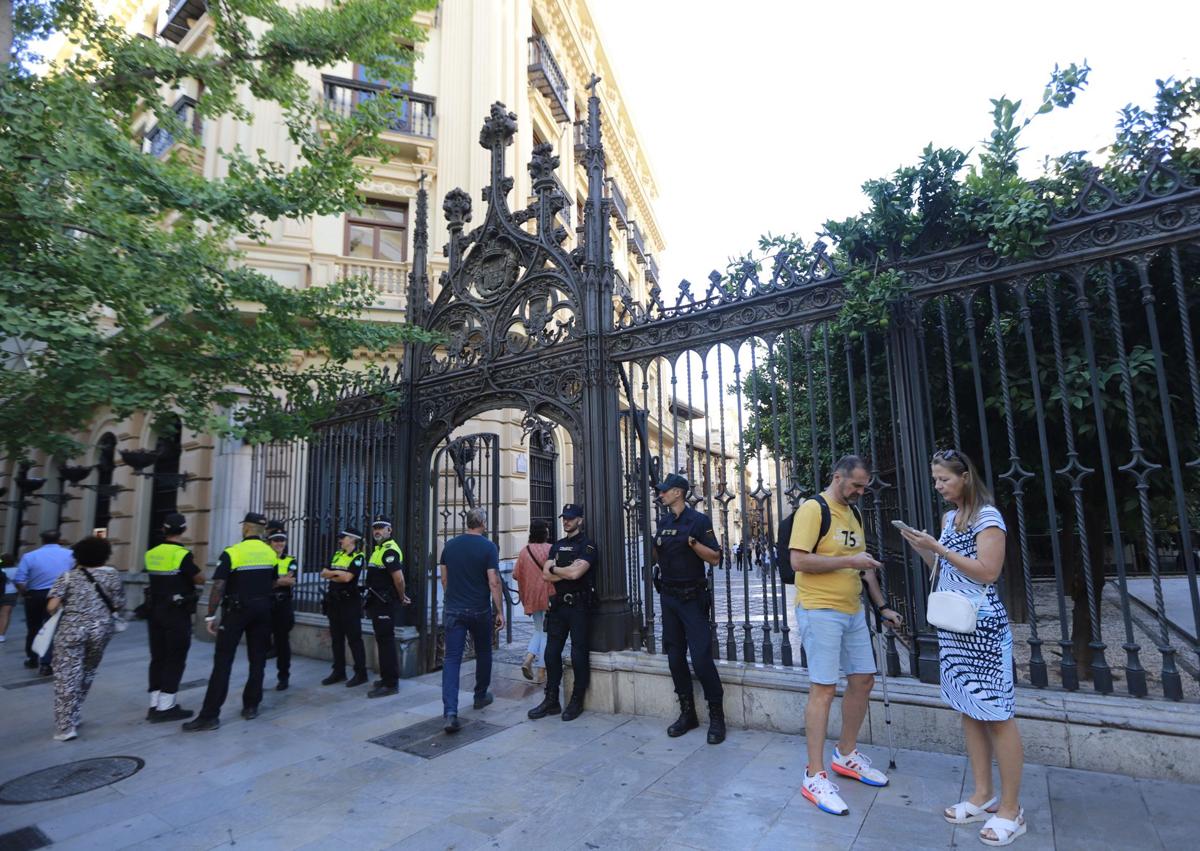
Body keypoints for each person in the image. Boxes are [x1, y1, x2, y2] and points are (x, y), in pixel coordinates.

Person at [899, 448, 1026, 846]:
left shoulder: (988, 517)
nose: (938, 486)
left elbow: (988, 572)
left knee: (997, 715)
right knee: (969, 710)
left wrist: (939, 548)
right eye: (935, 480)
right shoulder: (950, 519)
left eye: (944, 479)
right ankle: (982, 794)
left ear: (965, 477)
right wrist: (924, 547)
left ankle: (1011, 809)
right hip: (954, 626)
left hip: (983, 629)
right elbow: (945, 569)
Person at [789, 455, 902, 817]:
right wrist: (850, 562)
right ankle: (814, 774)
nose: (859, 492)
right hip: (820, 609)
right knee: (823, 688)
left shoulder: (853, 513)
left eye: (863, 487)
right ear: (838, 477)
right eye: (855, 485)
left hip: (853, 609)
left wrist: (882, 606)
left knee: (864, 680)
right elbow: (799, 561)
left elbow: (863, 567)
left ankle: (845, 754)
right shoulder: (813, 509)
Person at [182, 512, 277, 731]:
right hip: (263, 610)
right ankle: (251, 706)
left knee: (223, 662)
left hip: (237, 610)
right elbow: (272, 582)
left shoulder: (232, 552)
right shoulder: (270, 553)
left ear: (245, 528)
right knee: (258, 660)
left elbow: (218, 586)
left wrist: (210, 615)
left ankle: (210, 715)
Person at [652, 474, 726, 745]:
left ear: (678, 493)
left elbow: (716, 558)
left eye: (664, 492)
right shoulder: (663, 522)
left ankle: (716, 716)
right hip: (669, 597)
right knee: (674, 657)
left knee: (701, 658)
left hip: (692, 597)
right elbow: (657, 553)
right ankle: (687, 713)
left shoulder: (699, 521)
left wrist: (693, 543)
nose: (660, 495)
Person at [45, 536, 126, 741]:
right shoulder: (113, 576)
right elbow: (119, 604)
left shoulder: (68, 577)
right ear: (104, 556)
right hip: (101, 630)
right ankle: (75, 712)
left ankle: (66, 726)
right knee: (87, 672)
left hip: (71, 631)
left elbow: (51, 607)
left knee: (66, 676)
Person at [527, 505, 597, 722]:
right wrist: (562, 571)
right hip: (558, 607)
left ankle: (576, 699)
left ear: (580, 520)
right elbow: (546, 576)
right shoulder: (557, 545)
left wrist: (557, 569)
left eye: (571, 518)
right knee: (550, 653)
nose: (566, 521)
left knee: (578, 654)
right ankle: (551, 699)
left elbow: (576, 574)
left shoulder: (588, 545)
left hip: (579, 607)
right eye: (564, 518)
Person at [438, 507, 502, 733]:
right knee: (484, 651)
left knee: (452, 659)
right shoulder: (488, 547)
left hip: (454, 609)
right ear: (483, 523)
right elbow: (493, 581)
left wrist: (451, 599)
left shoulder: (450, 546)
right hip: (479, 609)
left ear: (467, 523)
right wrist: (499, 611)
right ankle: (480, 695)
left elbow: (444, 578)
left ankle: (451, 713)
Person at [144, 512, 204, 722]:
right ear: (184, 530)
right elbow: (198, 578)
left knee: (158, 657)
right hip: (176, 611)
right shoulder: (182, 555)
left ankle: (154, 704)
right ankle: (166, 706)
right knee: (176, 657)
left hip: (155, 611)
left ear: (164, 529)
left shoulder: (151, 553)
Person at [13, 530, 74, 674]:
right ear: (59, 539)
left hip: (35, 595)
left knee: (33, 628)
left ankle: (32, 657)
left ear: (42, 540)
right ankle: (46, 663)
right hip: (59, 596)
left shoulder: (30, 556)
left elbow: (19, 579)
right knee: (52, 629)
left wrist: (25, 593)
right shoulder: (70, 555)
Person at [364, 515, 410, 699]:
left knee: (386, 642)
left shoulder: (389, 550)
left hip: (384, 603)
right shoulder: (378, 549)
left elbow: (398, 578)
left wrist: (401, 596)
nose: (377, 530)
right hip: (376, 602)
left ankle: (391, 683)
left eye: (381, 527)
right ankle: (385, 678)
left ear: (389, 530)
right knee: (382, 640)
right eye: (375, 527)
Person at [320, 527, 368, 688]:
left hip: (349, 603)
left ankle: (361, 673)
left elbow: (348, 578)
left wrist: (334, 574)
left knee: (354, 639)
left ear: (353, 540)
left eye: (344, 537)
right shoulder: (337, 554)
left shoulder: (358, 556)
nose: (340, 540)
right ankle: (339, 671)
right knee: (336, 639)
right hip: (334, 602)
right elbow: (323, 572)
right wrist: (337, 574)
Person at [512, 520, 553, 682]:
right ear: (545, 533)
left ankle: (529, 658)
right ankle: (542, 671)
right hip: (549, 596)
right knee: (546, 633)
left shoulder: (524, 552)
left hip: (532, 597)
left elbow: (515, 574)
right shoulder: (550, 549)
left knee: (538, 629)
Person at [266, 520, 297, 692]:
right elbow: (264, 583)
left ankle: (283, 677)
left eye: (282, 541)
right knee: (261, 641)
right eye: (276, 540)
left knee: (283, 643)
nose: (279, 544)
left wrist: (272, 582)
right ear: (270, 542)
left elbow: (291, 581)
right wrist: (280, 580)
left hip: (283, 604)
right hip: (266, 603)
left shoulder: (291, 560)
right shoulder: (264, 559)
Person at [0, 552, 16, 643]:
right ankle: (1, 635)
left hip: (1, 592)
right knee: (5, 614)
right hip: (11, 593)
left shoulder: (1, 569)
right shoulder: (17, 570)